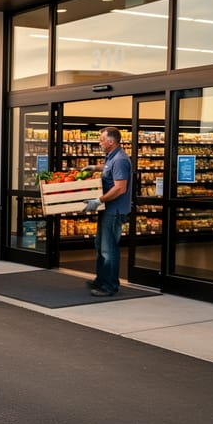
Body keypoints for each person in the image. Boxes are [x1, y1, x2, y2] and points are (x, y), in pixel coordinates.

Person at [82, 126, 132, 297]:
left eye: (102, 140)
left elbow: (120, 188)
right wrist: (94, 168)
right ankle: (101, 279)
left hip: (114, 210)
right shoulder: (112, 157)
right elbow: (107, 169)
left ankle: (110, 286)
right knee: (100, 246)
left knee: (109, 249)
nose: (99, 142)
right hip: (107, 209)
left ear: (111, 142)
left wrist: (98, 200)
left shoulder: (120, 160)